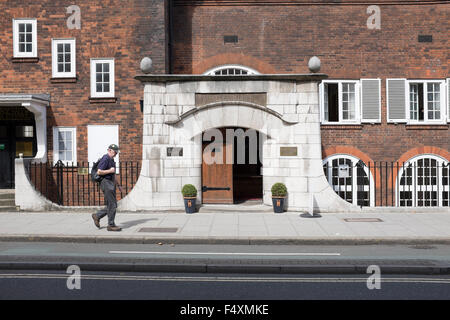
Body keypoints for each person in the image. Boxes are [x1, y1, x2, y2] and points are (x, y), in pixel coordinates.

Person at [91, 144, 123, 231]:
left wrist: (118, 185)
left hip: (110, 182)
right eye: (114, 151)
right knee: (112, 204)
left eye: (116, 152)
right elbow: (99, 172)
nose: (116, 153)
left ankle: (97, 216)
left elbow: (113, 174)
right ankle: (111, 225)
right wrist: (110, 170)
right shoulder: (105, 158)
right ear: (109, 150)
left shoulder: (111, 160)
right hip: (106, 182)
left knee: (112, 204)